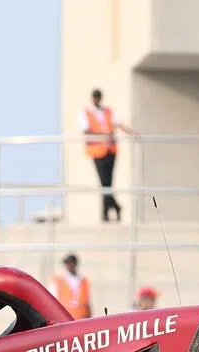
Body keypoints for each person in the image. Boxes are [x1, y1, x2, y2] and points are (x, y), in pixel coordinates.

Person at [81, 88, 134, 222]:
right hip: (97, 152)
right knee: (104, 183)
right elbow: (86, 131)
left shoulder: (109, 112)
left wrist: (132, 133)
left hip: (110, 151)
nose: (96, 99)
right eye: (95, 97)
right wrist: (103, 136)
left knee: (108, 182)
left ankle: (108, 212)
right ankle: (113, 208)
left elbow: (119, 125)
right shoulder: (86, 113)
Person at [49, 254, 92, 319]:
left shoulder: (84, 281)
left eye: (70, 263)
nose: (68, 265)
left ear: (75, 264)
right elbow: (52, 301)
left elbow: (87, 303)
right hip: (65, 318)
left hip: (82, 318)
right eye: (67, 263)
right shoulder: (58, 281)